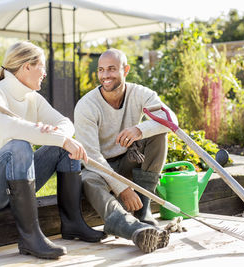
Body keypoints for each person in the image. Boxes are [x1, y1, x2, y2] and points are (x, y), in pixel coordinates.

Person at [0, 41, 105, 260]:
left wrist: (61, 137)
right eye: (42, 67)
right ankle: (30, 238)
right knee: (19, 145)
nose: (45, 73)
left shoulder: (32, 98)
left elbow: (65, 123)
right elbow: (9, 127)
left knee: (63, 148)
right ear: (27, 66)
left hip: (14, 187)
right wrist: (53, 135)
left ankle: (73, 223)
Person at [74, 48, 178, 253]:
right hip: (99, 167)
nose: (105, 75)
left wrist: (140, 129)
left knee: (157, 133)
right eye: (101, 70)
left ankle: (143, 213)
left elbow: (170, 120)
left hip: (129, 159)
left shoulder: (139, 93)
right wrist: (123, 188)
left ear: (126, 70)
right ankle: (133, 230)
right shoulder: (86, 106)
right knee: (87, 180)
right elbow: (92, 157)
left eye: (112, 69)